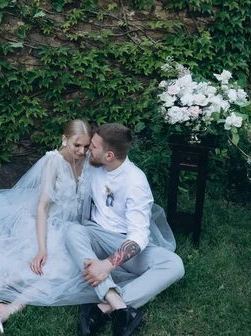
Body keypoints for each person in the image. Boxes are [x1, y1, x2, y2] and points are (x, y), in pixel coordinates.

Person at [0, 120, 99, 334]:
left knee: (66, 268)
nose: (82, 151)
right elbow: (42, 207)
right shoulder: (53, 162)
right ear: (64, 139)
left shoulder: (87, 160)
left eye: (86, 146)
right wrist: (42, 248)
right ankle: (6, 302)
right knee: (58, 268)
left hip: (73, 229)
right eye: (77, 145)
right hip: (46, 224)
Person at [65, 123, 185, 336]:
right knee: (73, 232)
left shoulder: (135, 182)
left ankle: (105, 307)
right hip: (95, 234)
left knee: (174, 265)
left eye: (93, 146)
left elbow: (139, 235)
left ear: (109, 155)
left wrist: (108, 265)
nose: (87, 149)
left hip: (124, 242)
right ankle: (119, 307)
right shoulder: (93, 164)